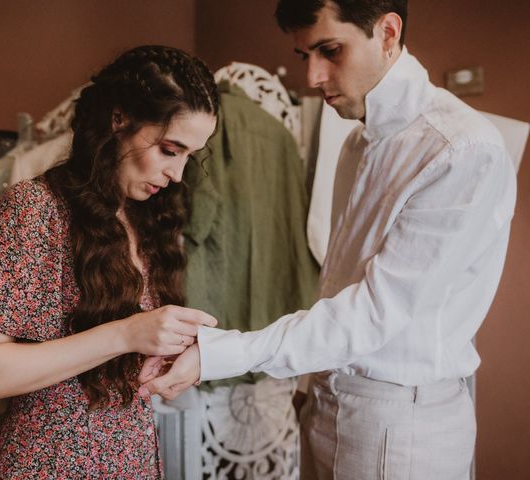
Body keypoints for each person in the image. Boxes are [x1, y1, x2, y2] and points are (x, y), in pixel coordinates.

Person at [138, 2, 517, 479]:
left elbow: (374, 313)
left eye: (330, 51)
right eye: (304, 56)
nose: (314, 76)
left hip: (400, 426)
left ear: (387, 32)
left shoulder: (459, 150)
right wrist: (309, 386)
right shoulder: (357, 145)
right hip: (325, 400)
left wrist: (217, 353)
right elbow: (338, 284)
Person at [0, 45, 219, 479]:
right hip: (45, 465)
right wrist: (127, 334)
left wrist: (170, 357)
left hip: (129, 463)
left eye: (190, 155)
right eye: (170, 149)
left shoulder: (147, 218)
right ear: (119, 120)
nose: (178, 174)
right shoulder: (34, 211)